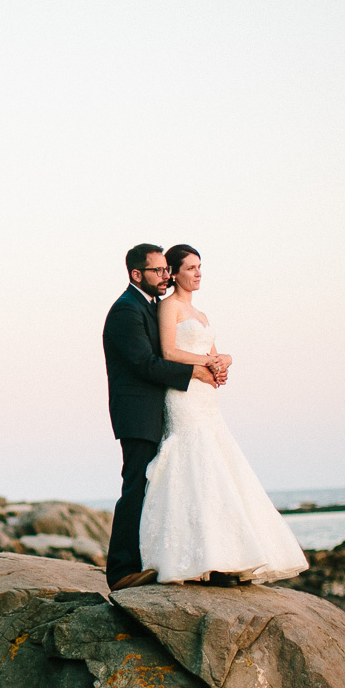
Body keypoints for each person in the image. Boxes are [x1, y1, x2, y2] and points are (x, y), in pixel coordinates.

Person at [138, 244, 309, 586]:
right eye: (191, 267)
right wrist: (206, 364)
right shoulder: (168, 307)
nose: (198, 273)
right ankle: (201, 558)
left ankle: (228, 554)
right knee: (194, 463)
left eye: (200, 267)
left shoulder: (201, 316)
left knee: (218, 464)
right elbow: (170, 351)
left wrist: (222, 361)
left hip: (206, 397)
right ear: (174, 273)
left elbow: (214, 352)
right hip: (184, 396)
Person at [101, 244, 222, 590]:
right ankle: (121, 572)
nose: (165, 276)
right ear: (136, 274)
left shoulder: (150, 307)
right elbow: (144, 364)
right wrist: (195, 373)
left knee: (155, 488)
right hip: (137, 414)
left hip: (158, 412)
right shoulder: (127, 310)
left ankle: (151, 561)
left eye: (166, 270)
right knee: (136, 487)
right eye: (158, 271)